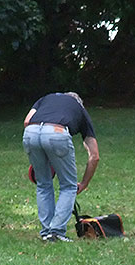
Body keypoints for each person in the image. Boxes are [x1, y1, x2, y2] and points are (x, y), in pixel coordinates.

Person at [23, 92, 100, 242]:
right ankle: (56, 232)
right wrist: (84, 183)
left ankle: (46, 232)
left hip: (30, 132)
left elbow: (27, 121)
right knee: (68, 186)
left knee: (43, 184)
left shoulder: (45, 98)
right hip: (57, 132)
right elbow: (94, 156)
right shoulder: (80, 110)